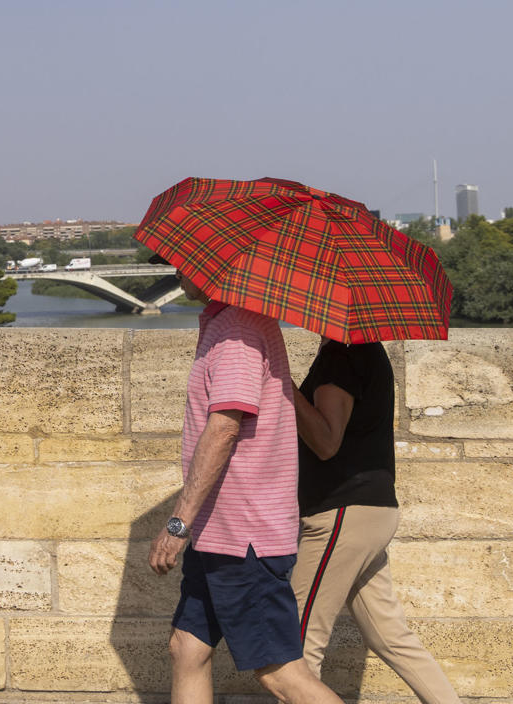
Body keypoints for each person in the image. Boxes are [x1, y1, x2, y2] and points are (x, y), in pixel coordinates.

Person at [152, 276, 343, 704]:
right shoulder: (231, 324)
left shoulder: (237, 332)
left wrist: (178, 524)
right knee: (187, 649)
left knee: (280, 675)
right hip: (219, 533)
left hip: (243, 538)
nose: (177, 273)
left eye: (183, 264)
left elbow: (223, 428)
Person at [290, 338, 461, 704]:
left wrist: (284, 389)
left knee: (297, 649)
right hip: (370, 511)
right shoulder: (365, 351)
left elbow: (326, 442)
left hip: (342, 515)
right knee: (391, 637)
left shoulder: (342, 355)